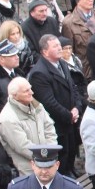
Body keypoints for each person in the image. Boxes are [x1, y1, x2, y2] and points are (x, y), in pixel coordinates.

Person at [27, 34, 83, 177]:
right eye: (56, 46)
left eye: (60, 45)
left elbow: (73, 88)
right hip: (57, 125)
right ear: (45, 51)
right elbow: (49, 102)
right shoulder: (39, 73)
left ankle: (71, 172)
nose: (60, 49)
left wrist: (77, 107)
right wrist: (69, 115)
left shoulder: (63, 64)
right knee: (62, 158)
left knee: (71, 154)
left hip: (71, 120)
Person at [0, 78, 57, 175]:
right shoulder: (7, 120)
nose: (31, 92)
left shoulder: (36, 105)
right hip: (29, 171)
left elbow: (49, 127)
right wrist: (46, 156)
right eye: (26, 91)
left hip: (48, 163)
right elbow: (23, 147)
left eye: (30, 89)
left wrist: (52, 149)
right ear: (15, 95)